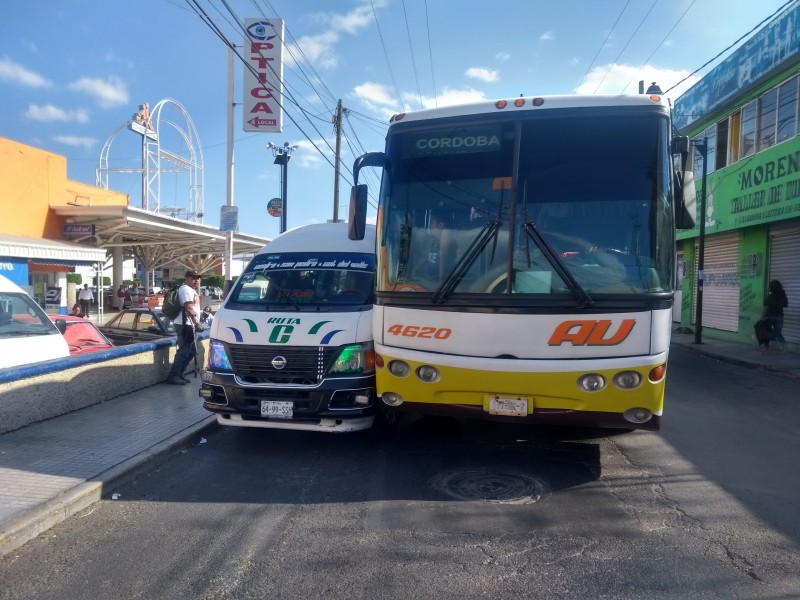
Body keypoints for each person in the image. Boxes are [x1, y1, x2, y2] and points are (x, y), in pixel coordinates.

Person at [166, 270, 202, 385]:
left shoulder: (190, 289)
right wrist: (196, 323)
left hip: (188, 323)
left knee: (191, 351)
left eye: (197, 278)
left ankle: (180, 374)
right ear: (186, 279)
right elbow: (189, 308)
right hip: (184, 324)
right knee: (184, 351)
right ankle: (173, 375)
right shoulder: (186, 289)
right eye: (193, 278)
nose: (196, 280)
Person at [762, 279, 789, 352]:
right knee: (778, 333)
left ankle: (766, 348)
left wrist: (762, 317)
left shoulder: (769, 297)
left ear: (771, 288)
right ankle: (784, 348)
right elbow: (786, 305)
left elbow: (765, 308)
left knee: (766, 332)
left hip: (769, 317)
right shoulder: (782, 296)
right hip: (779, 317)